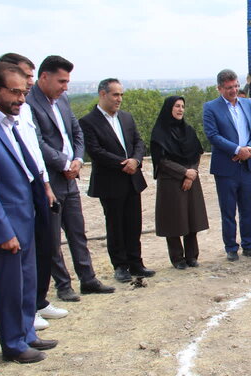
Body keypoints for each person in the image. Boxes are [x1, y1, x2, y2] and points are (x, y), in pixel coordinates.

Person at [26, 55, 113, 301]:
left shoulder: (62, 99)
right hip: (49, 179)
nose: (66, 87)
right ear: (44, 77)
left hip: (70, 177)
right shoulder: (29, 104)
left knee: (77, 231)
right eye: (61, 81)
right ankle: (63, 285)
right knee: (52, 238)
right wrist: (64, 163)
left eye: (67, 82)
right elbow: (37, 143)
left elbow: (75, 131)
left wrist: (76, 159)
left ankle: (88, 279)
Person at [0, 62, 58, 363]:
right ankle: (14, 344)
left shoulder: (7, 122)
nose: (21, 98)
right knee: (8, 286)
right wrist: (2, 231)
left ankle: (27, 332)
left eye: (23, 92)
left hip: (25, 216)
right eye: (14, 92)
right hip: (6, 223)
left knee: (27, 280)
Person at [0, 53, 67, 330]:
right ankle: (25, 314)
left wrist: (45, 184)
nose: (29, 84)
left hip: (37, 184)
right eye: (25, 77)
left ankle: (37, 301)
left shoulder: (22, 109)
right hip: (15, 193)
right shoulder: (2, 116)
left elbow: (34, 148)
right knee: (18, 257)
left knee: (42, 247)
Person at [79, 78, 154, 282]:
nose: (119, 99)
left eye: (121, 94)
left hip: (132, 179)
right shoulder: (88, 121)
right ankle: (120, 266)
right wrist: (124, 163)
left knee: (133, 223)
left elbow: (139, 142)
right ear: (103, 94)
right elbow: (95, 151)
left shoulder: (127, 118)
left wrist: (136, 161)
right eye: (115, 94)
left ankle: (136, 263)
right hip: (110, 181)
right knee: (115, 225)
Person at [202, 69, 251, 261]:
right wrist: (237, 150)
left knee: (248, 209)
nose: (234, 90)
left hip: (247, 166)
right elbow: (213, 136)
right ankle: (230, 247)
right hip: (226, 168)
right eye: (229, 87)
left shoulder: (248, 104)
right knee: (228, 210)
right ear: (220, 88)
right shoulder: (211, 108)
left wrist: (249, 150)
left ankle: (249, 245)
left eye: (236, 85)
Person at [151, 96, 209, 269]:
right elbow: (161, 161)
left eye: (183, 106)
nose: (180, 109)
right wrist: (184, 172)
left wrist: (192, 174)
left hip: (191, 179)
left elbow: (196, 153)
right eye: (177, 106)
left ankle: (192, 256)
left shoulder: (188, 130)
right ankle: (177, 258)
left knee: (192, 218)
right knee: (174, 220)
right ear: (169, 108)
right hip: (171, 181)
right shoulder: (159, 132)